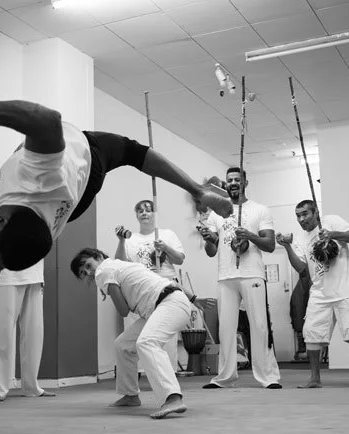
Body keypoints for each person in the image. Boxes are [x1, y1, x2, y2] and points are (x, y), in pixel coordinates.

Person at [0, 91, 232, 337]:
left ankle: (197, 190)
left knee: (132, 152)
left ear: (0, 221)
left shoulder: (37, 173)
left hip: (81, 175)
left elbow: (47, 118)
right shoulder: (32, 185)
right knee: (132, 151)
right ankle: (197, 190)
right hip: (70, 194)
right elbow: (44, 119)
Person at [71, 248, 190, 419]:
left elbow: (123, 311)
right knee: (123, 345)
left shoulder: (103, 271)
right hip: (165, 304)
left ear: (98, 257)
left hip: (169, 304)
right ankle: (130, 395)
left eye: (88, 266)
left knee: (147, 342)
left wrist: (110, 290)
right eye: (84, 273)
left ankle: (172, 397)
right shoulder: (117, 266)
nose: (90, 272)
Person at [198, 167, 281, 389]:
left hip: (252, 273)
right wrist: (208, 238)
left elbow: (270, 245)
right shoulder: (217, 213)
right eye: (229, 180)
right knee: (225, 328)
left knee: (259, 325)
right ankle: (225, 377)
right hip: (226, 275)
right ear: (226, 185)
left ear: (245, 182)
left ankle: (268, 376)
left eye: (237, 179)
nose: (233, 183)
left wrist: (250, 236)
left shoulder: (260, 210)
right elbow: (211, 251)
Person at [277, 200, 349, 389]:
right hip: (319, 292)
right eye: (298, 215)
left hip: (346, 289)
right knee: (311, 334)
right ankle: (314, 379)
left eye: (305, 214)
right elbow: (301, 268)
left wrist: (333, 234)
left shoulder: (332, 221)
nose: (301, 219)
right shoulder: (301, 239)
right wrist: (287, 246)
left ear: (316, 212)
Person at [114, 199, 185, 371]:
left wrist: (165, 247)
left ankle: (168, 371)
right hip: (141, 290)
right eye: (140, 211)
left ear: (155, 214)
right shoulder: (131, 239)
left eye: (148, 209)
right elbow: (120, 263)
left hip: (165, 287)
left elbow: (180, 259)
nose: (144, 213)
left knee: (165, 331)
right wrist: (121, 241)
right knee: (135, 331)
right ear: (136, 216)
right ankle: (136, 372)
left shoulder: (167, 234)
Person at [0, 260, 56, 402]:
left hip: (35, 274)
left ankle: (31, 386)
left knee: (34, 333)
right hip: (9, 274)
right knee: (1, 331)